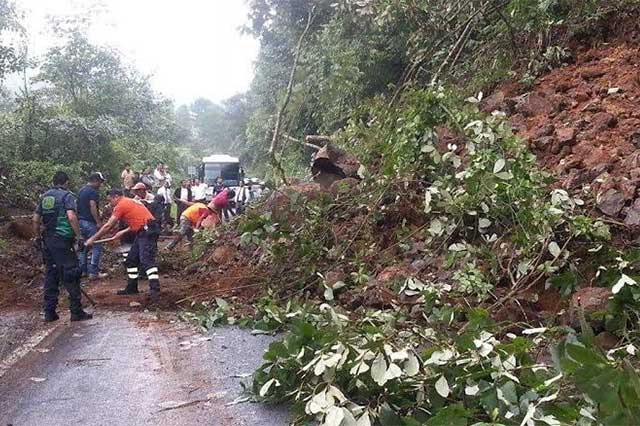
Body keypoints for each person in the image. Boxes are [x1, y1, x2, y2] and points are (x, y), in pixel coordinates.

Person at [32, 171, 93, 322]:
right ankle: (76, 312)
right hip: (63, 240)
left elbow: (35, 219)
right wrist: (79, 237)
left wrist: (37, 237)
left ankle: (49, 312)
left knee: (51, 274)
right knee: (71, 273)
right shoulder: (67, 196)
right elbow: (71, 217)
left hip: (48, 241)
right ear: (66, 182)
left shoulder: (44, 197)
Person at [86, 189, 161, 297]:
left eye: (110, 200)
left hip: (147, 230)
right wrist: (122, 232)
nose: (110, 203)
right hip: (144, 229)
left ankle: (155, 289)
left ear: (116, 197)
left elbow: (108, 225)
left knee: (146, 260)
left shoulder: (121, 205)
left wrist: (92, 239)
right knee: (131, 260)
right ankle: (132, 287)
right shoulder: (129, 201)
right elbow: (138, 220)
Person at [77, 172, 107, 280]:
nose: (100, 184)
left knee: (84, 246)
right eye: (99, 182)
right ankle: (93, 272)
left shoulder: (81, 191)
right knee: (97, 245)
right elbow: (92, 206)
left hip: (80, 221)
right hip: (90, 222)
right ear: (95, 180)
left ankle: (82, 271)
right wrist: (98, 221)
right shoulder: (93, 192)